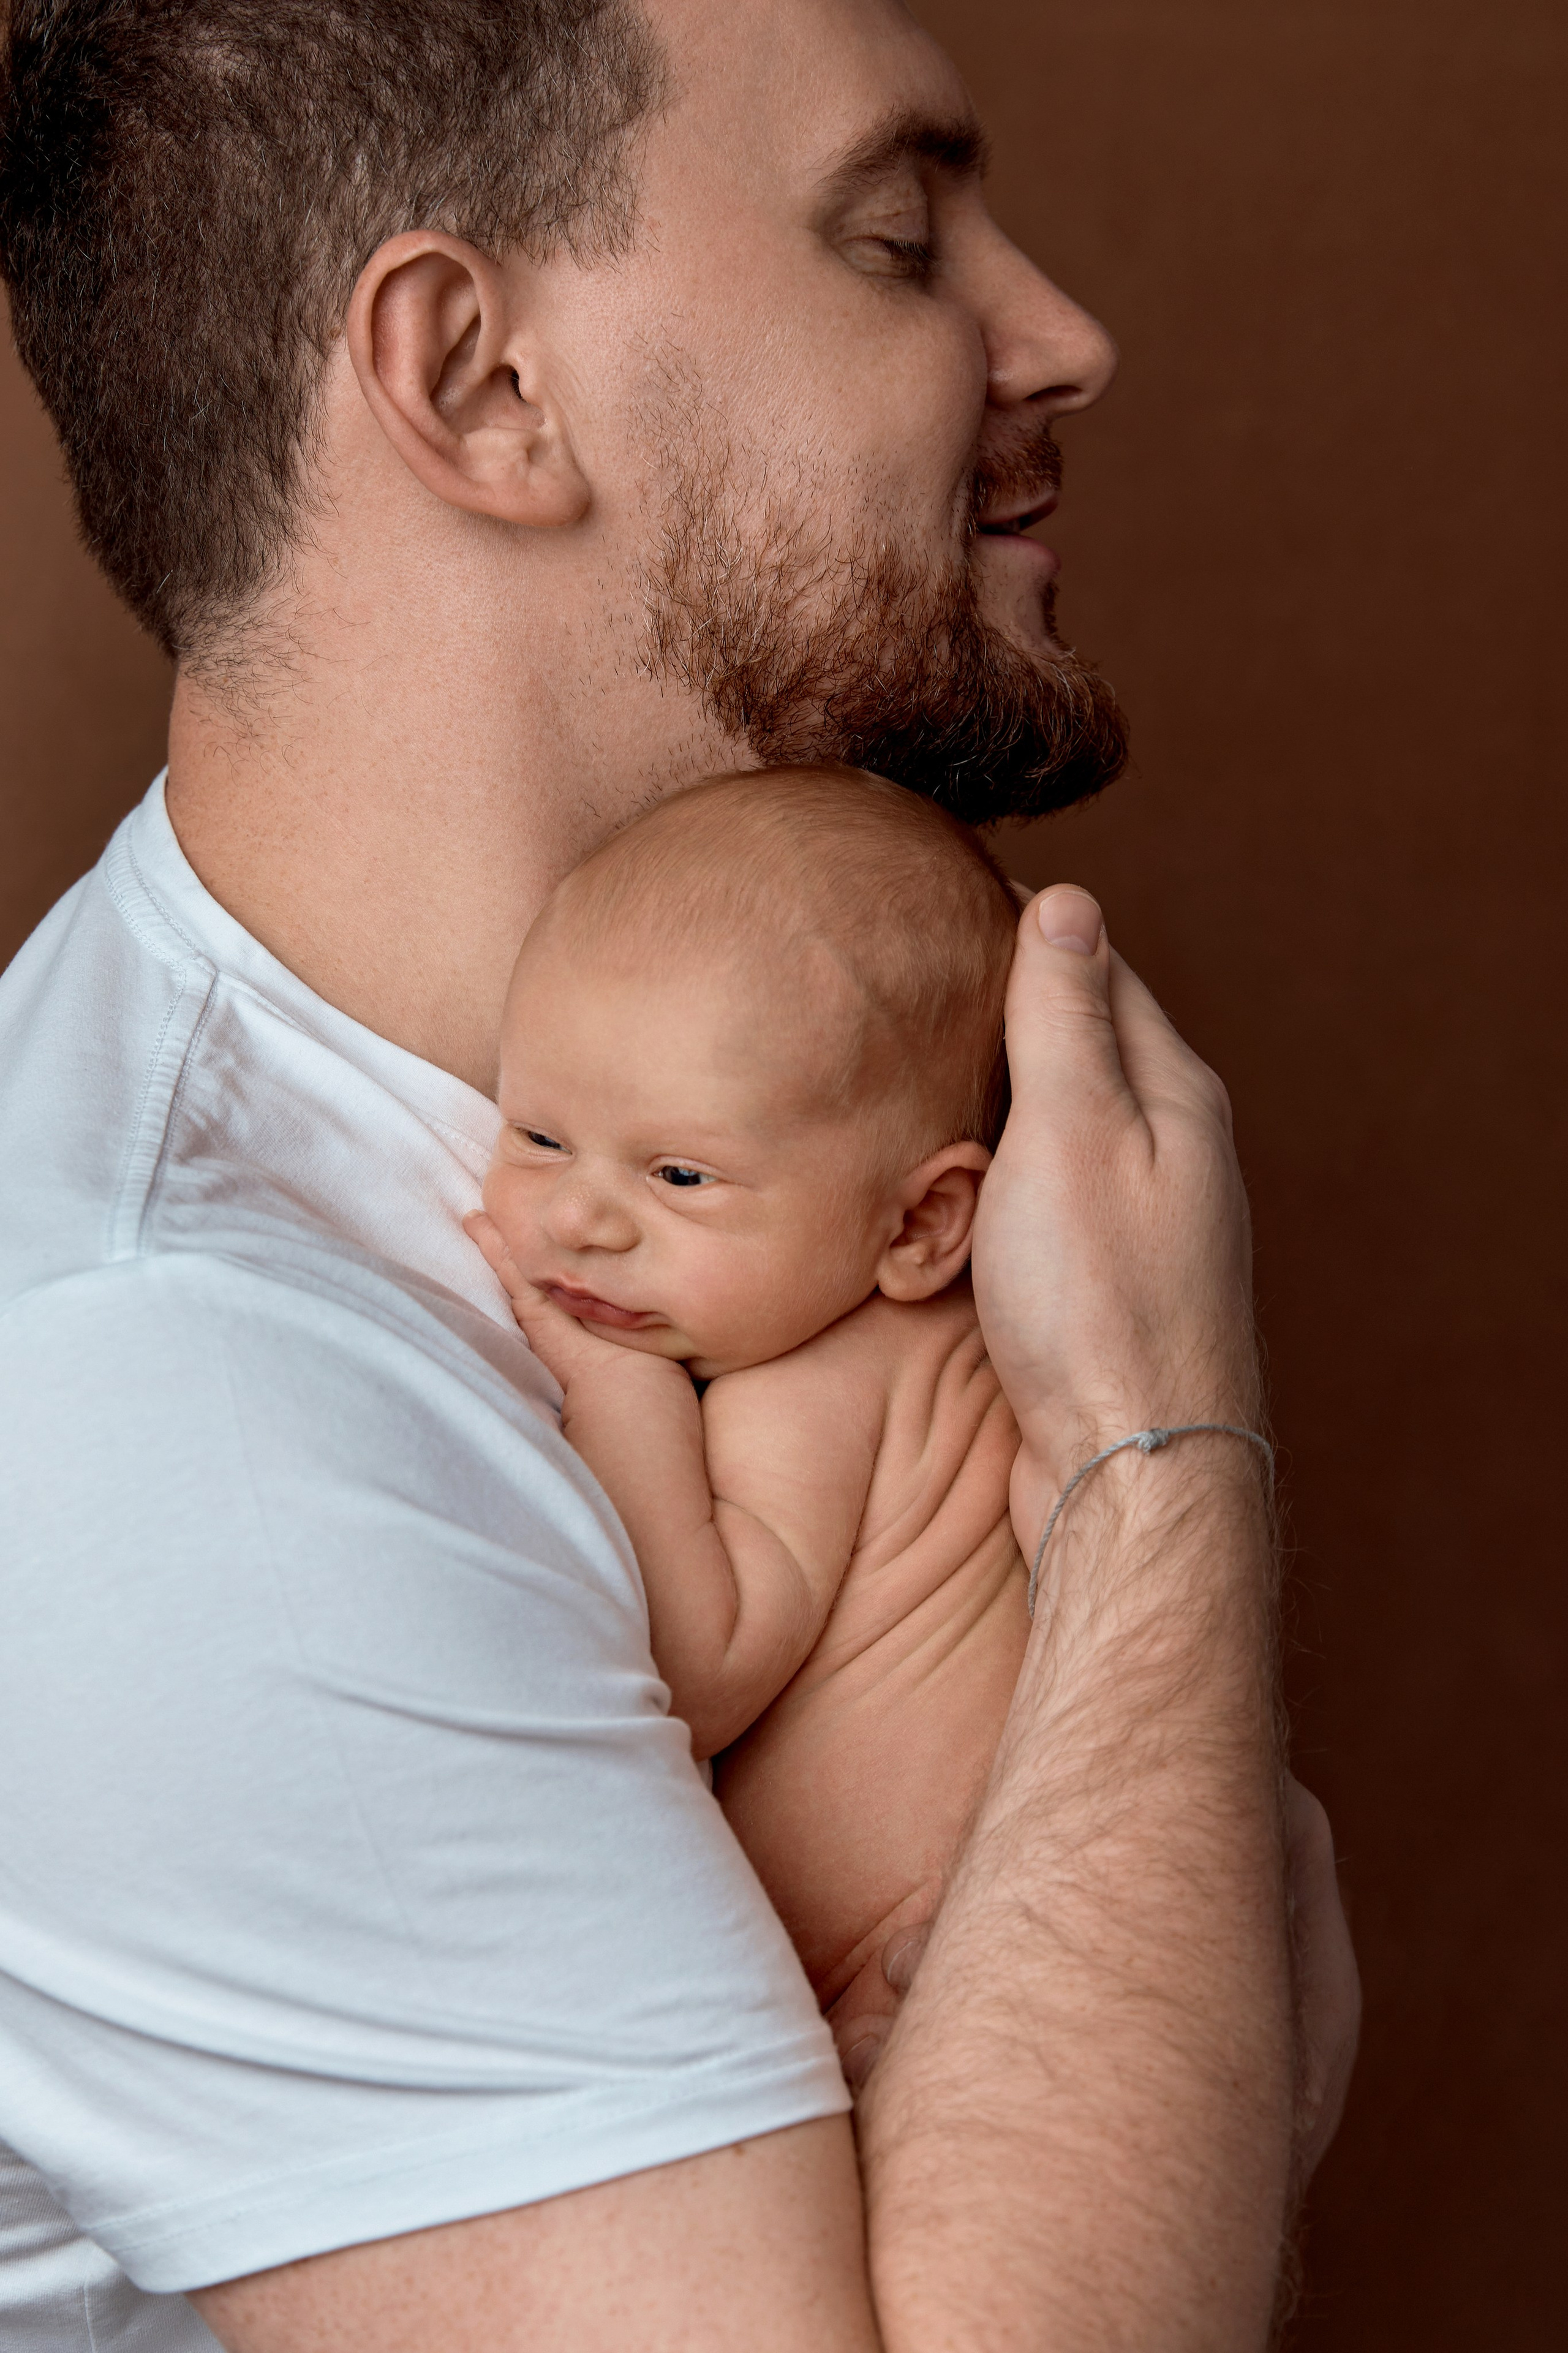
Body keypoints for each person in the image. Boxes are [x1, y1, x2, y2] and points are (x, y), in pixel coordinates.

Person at [0, 4, 1357, 2350]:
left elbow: (1190, 2102)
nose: (1063, 334)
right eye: (898, 234)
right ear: (480, 384)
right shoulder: (160, 1395)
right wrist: (1167, 1465)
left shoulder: (838, 1111)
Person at [467, 766, 1033, 2074]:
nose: (581, 1218)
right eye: (539, 1134)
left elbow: (708, 1665)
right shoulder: (918, 1342)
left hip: (907, 1965)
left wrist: (617, 1385)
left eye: (679, 1174)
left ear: (916, 1225)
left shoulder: (821, 1381)